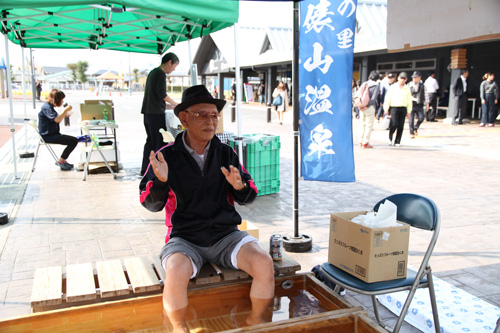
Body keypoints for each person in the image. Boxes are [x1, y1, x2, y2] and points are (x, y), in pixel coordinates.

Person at [139, 85, 274, 332]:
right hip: (185, 238)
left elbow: (249, 196)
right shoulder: (165, 156)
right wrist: (160, 182)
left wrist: (240, 186)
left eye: (214, 115)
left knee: (264, 262)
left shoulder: (227, 153)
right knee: (176, 271)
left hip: (226, 236)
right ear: (183, 118)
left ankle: (257, 322)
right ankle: (179, 328)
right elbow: (149, 203)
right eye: (202, 114)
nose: (210, 121)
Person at [140, 52, 179, 176]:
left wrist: (168, 105)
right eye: (174, 66)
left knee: (150, 143)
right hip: (155, 115)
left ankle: (145, 170)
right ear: (169, 62)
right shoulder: (160, 74)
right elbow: (162, 94)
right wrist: (177, 104)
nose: (173, 69)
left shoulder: (153, 72)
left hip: (148, 113)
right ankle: (155, 172)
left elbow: (155, 96)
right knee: (159, 144)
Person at [38, 89, 78, 171]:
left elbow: (56, 118)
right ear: (56, 99)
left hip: (51, 134)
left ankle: (62, 160)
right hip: (48, 136)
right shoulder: (46, 107)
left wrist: (64, 115)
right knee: (74, 141)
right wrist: (65, 110)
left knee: (73, 140)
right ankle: (61, 161)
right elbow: (57, 119)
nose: (62, 102)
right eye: (61, 100)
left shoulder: (48, 107)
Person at [384, 72, 412, 147]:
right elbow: (388, 98)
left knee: (401, 125)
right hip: (394, 107)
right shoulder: (393, 87)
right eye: (401, 78)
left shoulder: (407, 88)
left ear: (406, 80)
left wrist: (409, 111)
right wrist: (386, 109)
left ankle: (397, 140)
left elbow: (409, 100)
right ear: (398, 78)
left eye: (404, 78)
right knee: (394, 123)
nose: (402, 80)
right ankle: (390, 136)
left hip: (403, 107)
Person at [357, 71, 380, 148]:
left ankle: (360, 141)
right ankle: (365, 142)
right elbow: (373, 99)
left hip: (361, 106)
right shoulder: (376, 85)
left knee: (362, 125)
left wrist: (361, 105)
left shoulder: (365, 83)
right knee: (369, 125)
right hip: (369, 107)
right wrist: (367, 105)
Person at [408, 71, 426, 138]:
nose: (414, 79)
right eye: (413, 78)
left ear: (419, 78)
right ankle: (411, 132)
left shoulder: (422, 85)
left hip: (419, 104)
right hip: (411, 104)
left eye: (416, 78)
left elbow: (426, 95)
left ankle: (416, 127)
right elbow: (406, 94)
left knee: (421, 118)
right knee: (411, 119)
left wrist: (427, 104)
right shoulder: (409, 85)